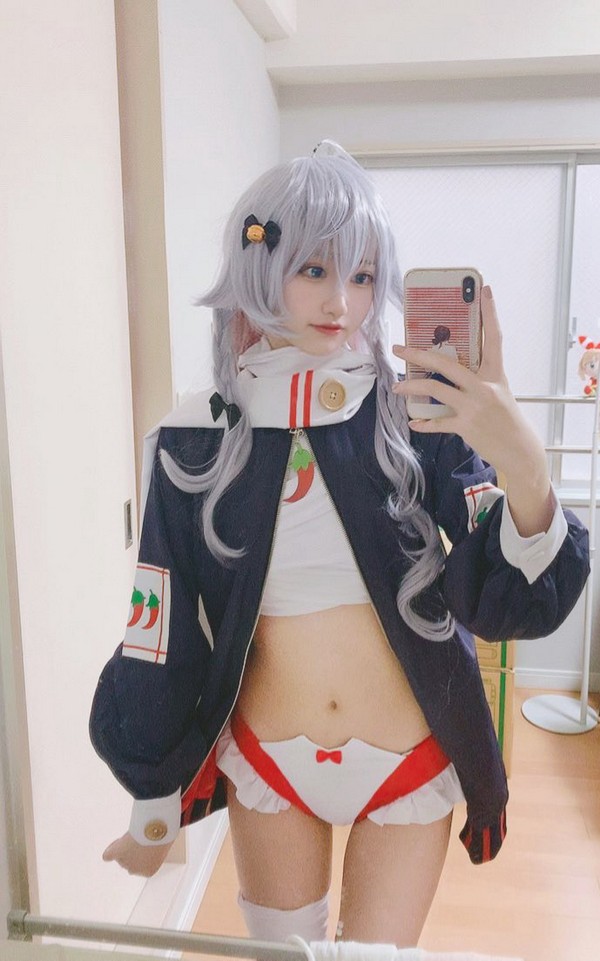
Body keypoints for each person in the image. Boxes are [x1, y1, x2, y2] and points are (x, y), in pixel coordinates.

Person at [90, 142, 589, 948]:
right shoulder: (195, 442)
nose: (341, 302)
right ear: (259, 264)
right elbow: (163, 626)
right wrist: (153, 805)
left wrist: (522, 460)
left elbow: (503, 603)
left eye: (362, 276)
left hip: (407, 761)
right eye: (315, 269)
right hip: (270, 762)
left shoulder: (416, 419)